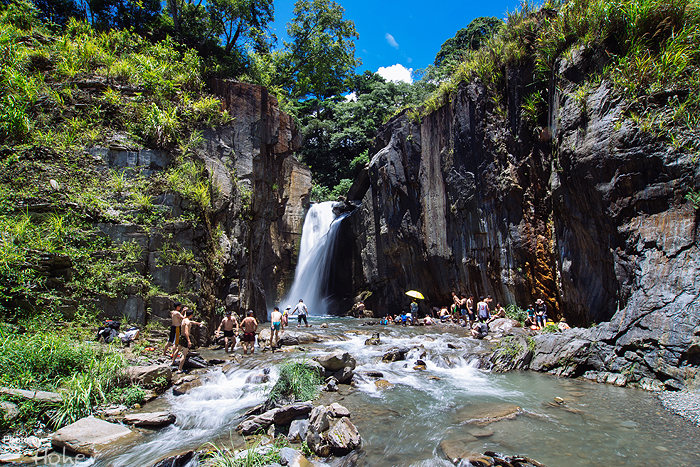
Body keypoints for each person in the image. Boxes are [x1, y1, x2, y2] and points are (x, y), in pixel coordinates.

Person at [173, 308, 195, 373]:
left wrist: (185, 311)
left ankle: (173, 362)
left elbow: (188, 320)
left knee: (178, 349)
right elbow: (186, 332)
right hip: (185, 338)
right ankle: (180, 369)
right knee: (184, 354)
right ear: (191, 315)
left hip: (181, 337)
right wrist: (189, 341)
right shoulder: (187, 322)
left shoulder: (184, 319)